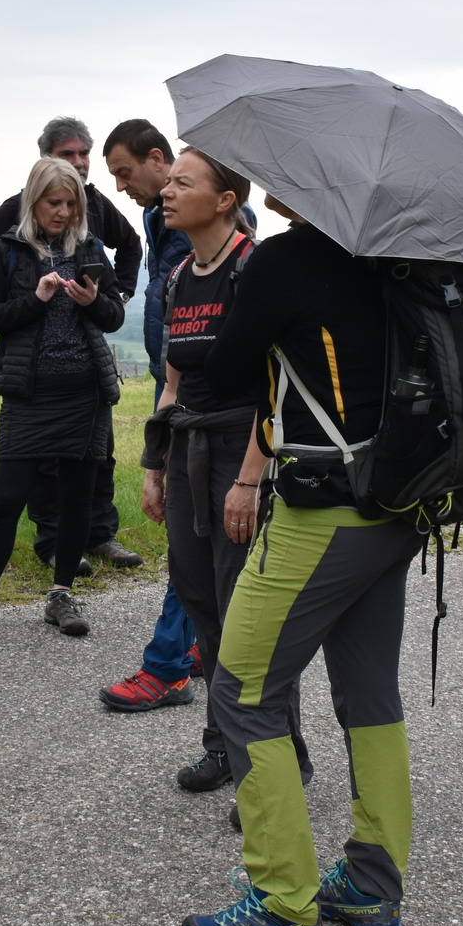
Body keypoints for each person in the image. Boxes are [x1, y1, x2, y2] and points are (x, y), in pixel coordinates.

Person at [180, 196, 425, 926]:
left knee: (242, 692)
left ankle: (283, 899)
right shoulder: (397, 257)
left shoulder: (287, 259)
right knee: (371, 696)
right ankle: (373, 885)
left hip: (324, 510)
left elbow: (222, 374)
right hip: (397, 504)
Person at [138, 150, 298, 797]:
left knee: (247, 612)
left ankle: (277, 758)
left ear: (226, 199)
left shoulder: (252, 270)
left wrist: (250, 479)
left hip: (240, 450)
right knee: (201, 599)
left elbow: (276, 387)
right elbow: (172, 383)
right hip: (188, 450)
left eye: (183, 183)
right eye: (169, 181)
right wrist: (155, 466)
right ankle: (223, 745)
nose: (167, 192)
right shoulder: (181, 276)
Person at [0, 157, 125, 650]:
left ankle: (61, 595)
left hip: (84, 395)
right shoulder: (7, 251)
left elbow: (113, 317)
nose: (62, 212)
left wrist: (92, 301)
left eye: (70, 204)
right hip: (29, 395)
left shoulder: (90, 249)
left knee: (77, 499)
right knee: (6, 501)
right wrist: (36, 300)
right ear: (33, 201)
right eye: (53, 202)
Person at [0, 117, 144, 573]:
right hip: (34, 375)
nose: (78, 163)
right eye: (67, 155)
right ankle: (54, 542)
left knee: (98, 455)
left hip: (86, 371)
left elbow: (131, 245)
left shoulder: (96, 207)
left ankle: (100, 535)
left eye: (83, 154)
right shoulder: (16, 216)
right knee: (43, 466)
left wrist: (116, 295)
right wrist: (14, 299)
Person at [97, 119, 199, 711]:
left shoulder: (203, 226)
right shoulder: (157, 218)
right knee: (197, 533)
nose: (120, 186)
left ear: (157, 158)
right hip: (173, 381)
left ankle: (167, 667)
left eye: (124, 172)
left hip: (199, 397)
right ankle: (202, 644)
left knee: (190, 532)